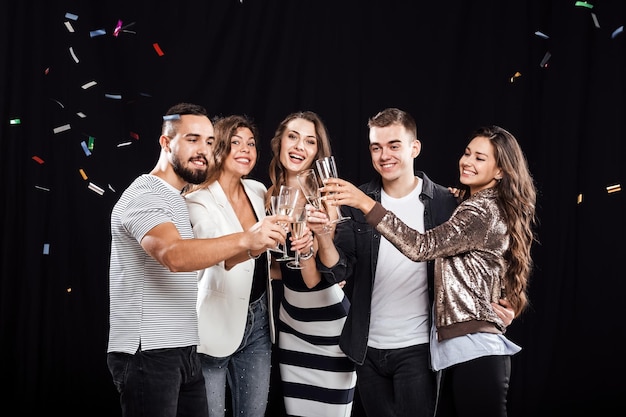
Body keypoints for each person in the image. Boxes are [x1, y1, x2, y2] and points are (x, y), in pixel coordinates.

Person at [321, 124, 537, 417]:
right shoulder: (466, 204)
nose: (467, 161)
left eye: (480, 158)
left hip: (474, 349)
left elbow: (421, 247)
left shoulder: (478, 210)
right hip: (454, 349)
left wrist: (363, 203)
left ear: (500, 171)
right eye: (467, 153)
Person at [107, 103, 288, 417]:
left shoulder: (175, 198)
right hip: (148, 352)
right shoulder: (145, 196)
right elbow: (174, 256)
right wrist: (247, 238)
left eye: (208, 142)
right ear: (166, 143)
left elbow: (211, 260)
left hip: (185, 349)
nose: (203, 150)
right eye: (193, 139)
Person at [183, 114, 312, 417]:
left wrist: (313, 270)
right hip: (215, 323)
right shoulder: (197, 200)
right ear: (218, 147)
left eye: (251, 144)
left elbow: (267, 264)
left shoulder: (257, 190)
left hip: (259, 320)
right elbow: (216, 258)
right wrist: (254, 244)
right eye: (236, 142)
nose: (245, 149)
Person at [266, 111, 357, 416]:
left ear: (318, 152)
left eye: (310, 141)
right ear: (280, 142)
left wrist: (309, 248)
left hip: (328, 323)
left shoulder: (326, 198)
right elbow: (278, 268)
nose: (299, 147)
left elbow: (316, 277)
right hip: (290, 323)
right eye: (293, 137)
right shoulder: (268, 195)